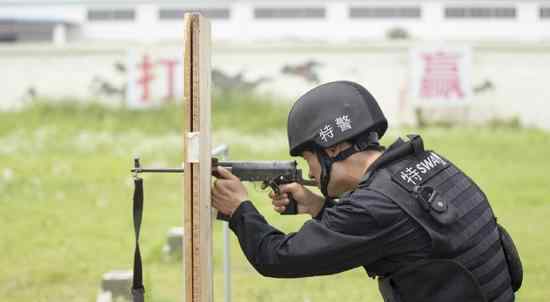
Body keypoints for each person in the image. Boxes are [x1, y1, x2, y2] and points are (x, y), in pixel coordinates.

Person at [211, 81, 522, 302]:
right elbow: (402, 233)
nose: (310, 173)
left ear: (331, 149)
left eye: (309, 159)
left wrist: (240, 210)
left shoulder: (374, 207)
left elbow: (278, 258)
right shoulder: (427, 161)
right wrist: (319, 208)